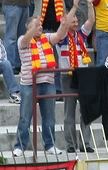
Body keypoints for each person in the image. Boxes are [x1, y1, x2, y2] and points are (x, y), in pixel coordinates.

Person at [13, 12, 73, 157]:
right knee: (25, 117)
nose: (40, 27)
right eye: (37, 25)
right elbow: (26, 39)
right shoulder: (22, 40)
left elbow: (59, 35)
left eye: (40, 25)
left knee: (49, 117)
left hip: (48, 82)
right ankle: (20, 146)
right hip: (29, 84)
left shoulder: (46, 37)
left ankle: (50, 145)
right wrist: (36, 25)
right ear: (29, 28)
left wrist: (63, 25)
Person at [57, 0, 96, 154]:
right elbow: (65, 24)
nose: (75, 22)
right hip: (68, 76)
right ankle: (71, 144)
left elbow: (91, 21)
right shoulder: (61, 36)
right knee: (69, 112)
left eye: (76, 20)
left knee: (85, 111)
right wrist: (73, 7)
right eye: (72, 21)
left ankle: (85, 143)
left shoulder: (81, 34)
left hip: (83, 76)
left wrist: (90, 4)